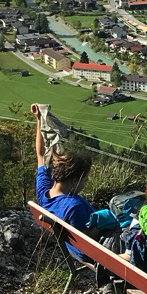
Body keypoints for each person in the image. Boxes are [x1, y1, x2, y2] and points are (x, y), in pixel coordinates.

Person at [31, 102, 93, 259]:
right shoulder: (74, 206)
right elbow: (88, 242)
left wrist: (39, 119)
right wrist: (107, 223)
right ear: (74, 180)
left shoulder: (44, 193)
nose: (85, 184)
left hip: (72, 250)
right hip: (94, 256)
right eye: (85, 180)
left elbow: (41, 155)